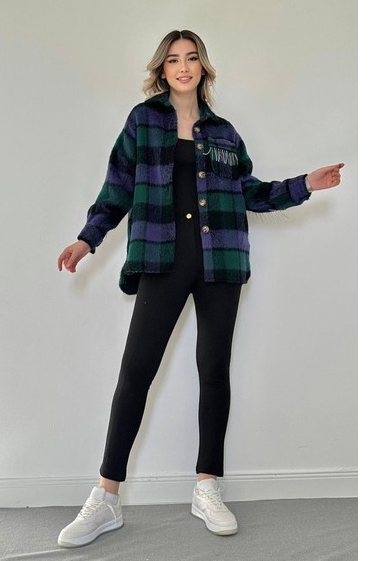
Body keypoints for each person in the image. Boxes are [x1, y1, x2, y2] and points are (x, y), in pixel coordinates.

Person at [56, 29, 344, 548]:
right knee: (136, 372)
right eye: (173, 60)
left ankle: (207, 487)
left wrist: (305, 184)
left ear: (203, 67)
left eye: (191, 58)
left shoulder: (224, 133)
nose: (183, 66)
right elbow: (117, 188)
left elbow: (250, 192)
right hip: (161, 259)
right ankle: (106, 497)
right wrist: (87, 239)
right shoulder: (143, 121)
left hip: (221, 262)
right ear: (162, 69)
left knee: (214, 371)